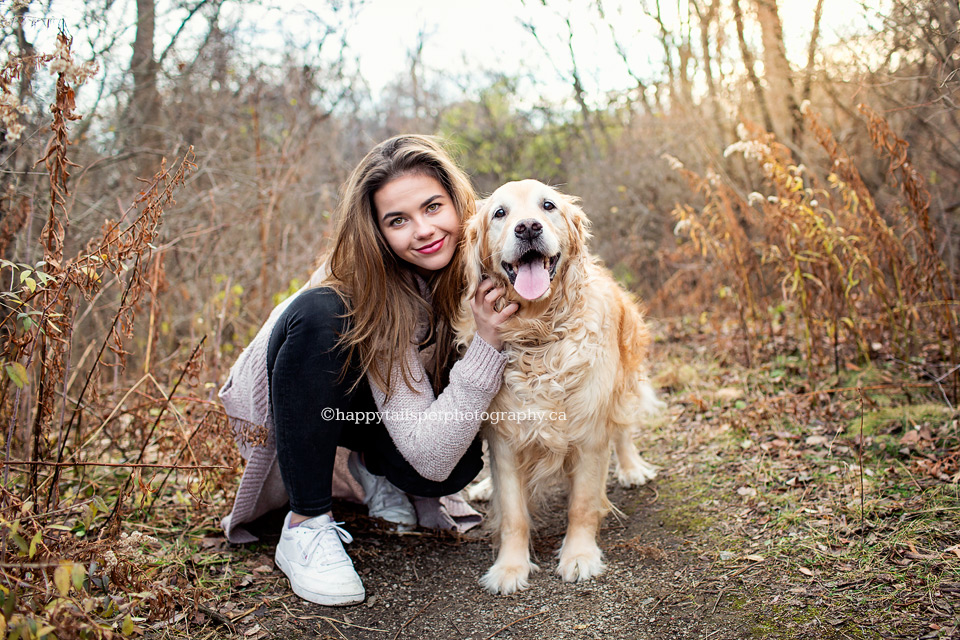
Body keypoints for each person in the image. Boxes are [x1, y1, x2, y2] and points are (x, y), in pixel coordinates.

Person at [219, 135, 518, 606]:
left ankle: (373, 467)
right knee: (321, 311)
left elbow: (439, 467)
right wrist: (487, 345)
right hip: (316, 396)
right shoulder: (369, 284)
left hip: (396, 406)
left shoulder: (490, 239)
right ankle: (306, 527)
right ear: (378, 232)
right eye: (398, 220)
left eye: (433, 207)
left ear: (460, 203)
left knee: (452, 469)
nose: (423, 230)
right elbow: (430, 452)